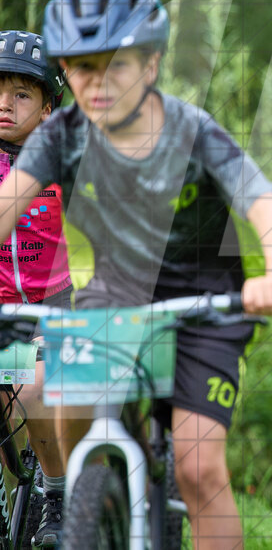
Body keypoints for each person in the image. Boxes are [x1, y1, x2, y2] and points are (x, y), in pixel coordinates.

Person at [0, 0, 272, 549]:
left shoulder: (190, 129)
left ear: (152, 65)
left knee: (198, 469)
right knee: (57, 386)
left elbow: (264, 204)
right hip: (118, 292)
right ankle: (82, 498)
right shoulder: (60, 137)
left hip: (207, 300)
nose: (97, 83)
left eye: (117, 66)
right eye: (82, 68)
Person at [0, 29, 73, 548]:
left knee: (31, 386)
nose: (5, 105)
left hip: (49, 305)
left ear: (48, 108)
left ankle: (56, 490)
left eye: (21, 94)